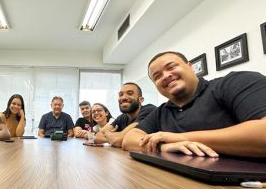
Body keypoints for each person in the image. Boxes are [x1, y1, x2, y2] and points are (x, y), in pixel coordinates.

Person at [122, 51, 266, 158]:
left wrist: (174, 137)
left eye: (171, 67)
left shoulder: (234, 83)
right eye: (157, 76)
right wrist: (164, 147)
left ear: (190, 67)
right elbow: (129, 140)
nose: (166, 76)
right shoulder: (163, 111)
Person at [94, 83, 156, 147]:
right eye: (121, 95)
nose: (123, 97)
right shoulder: (122, 117)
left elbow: (118, 140)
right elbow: (97, 137)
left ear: (141, 99)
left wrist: (108, 133)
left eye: (130, 93)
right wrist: (115, 137)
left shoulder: (149, 110)